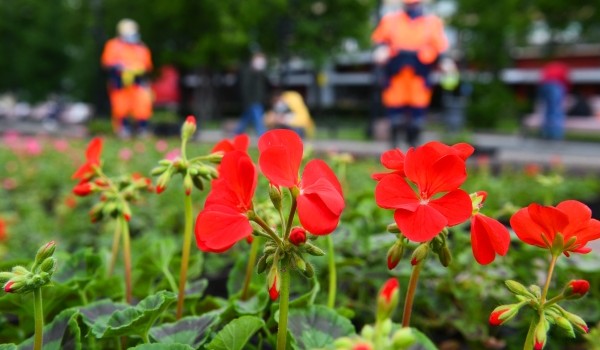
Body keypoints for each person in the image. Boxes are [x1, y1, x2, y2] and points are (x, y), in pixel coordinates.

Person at [371, 0, 451, 147]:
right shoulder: (391, 21)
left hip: (419, 76)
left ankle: (414, 149)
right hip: (396, 75)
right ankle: (393, 151)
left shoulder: (432, 23)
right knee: (395, 117)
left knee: (417, 119)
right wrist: (381, 51)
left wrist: (445, 61)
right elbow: (380, 42)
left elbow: (440, 47)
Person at [101, 19, 153, 138]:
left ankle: (142, 129)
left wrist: (137, 69)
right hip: (119, 82)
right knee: (120, 106)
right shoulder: (113, 45)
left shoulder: (141, 48)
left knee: (142, 104)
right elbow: (107, 62)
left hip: (138, 82)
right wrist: (120, 67)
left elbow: (147, 65)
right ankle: (123, 129)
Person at [235, 51, 269, 136]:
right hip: (252, 100)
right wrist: (247, 100)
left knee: (246, 118)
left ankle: (237, 133)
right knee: (258, 119)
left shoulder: (260, 73)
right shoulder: (248, 72)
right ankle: (263, 136)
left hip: (257, 99)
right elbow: (245, 87)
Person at [540, 61, 569, 140]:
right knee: (556, 109)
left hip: (545, 85)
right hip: (556, 84)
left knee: (547, 110)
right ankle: (556, 135)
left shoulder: (548, 66)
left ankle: (545, 132)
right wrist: (566, 90)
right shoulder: (563, 67)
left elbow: (542, 77)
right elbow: (565, 79)